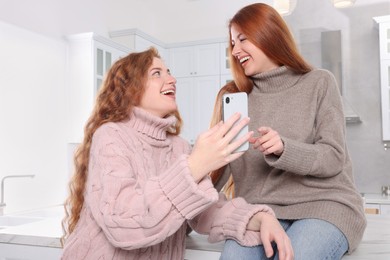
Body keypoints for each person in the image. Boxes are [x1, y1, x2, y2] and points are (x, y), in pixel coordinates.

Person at [60, 47, 294, 260]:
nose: (171, 79)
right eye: (157, 73)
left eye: (169, 72)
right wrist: (194, 167)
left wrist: (259, 217)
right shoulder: (111, 136)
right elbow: (123, 222)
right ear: (130, 88)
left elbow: (205, 213)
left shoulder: (179, 147)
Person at [209, 3, 367, 260]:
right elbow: (217, 170)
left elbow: (333, 157)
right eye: (232, 44)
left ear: (268, 34)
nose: (235, 51)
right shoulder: (235, 97)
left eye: (242, 39)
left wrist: (285, 148)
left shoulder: (319, 82)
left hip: (323, 206)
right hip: (260, 213)